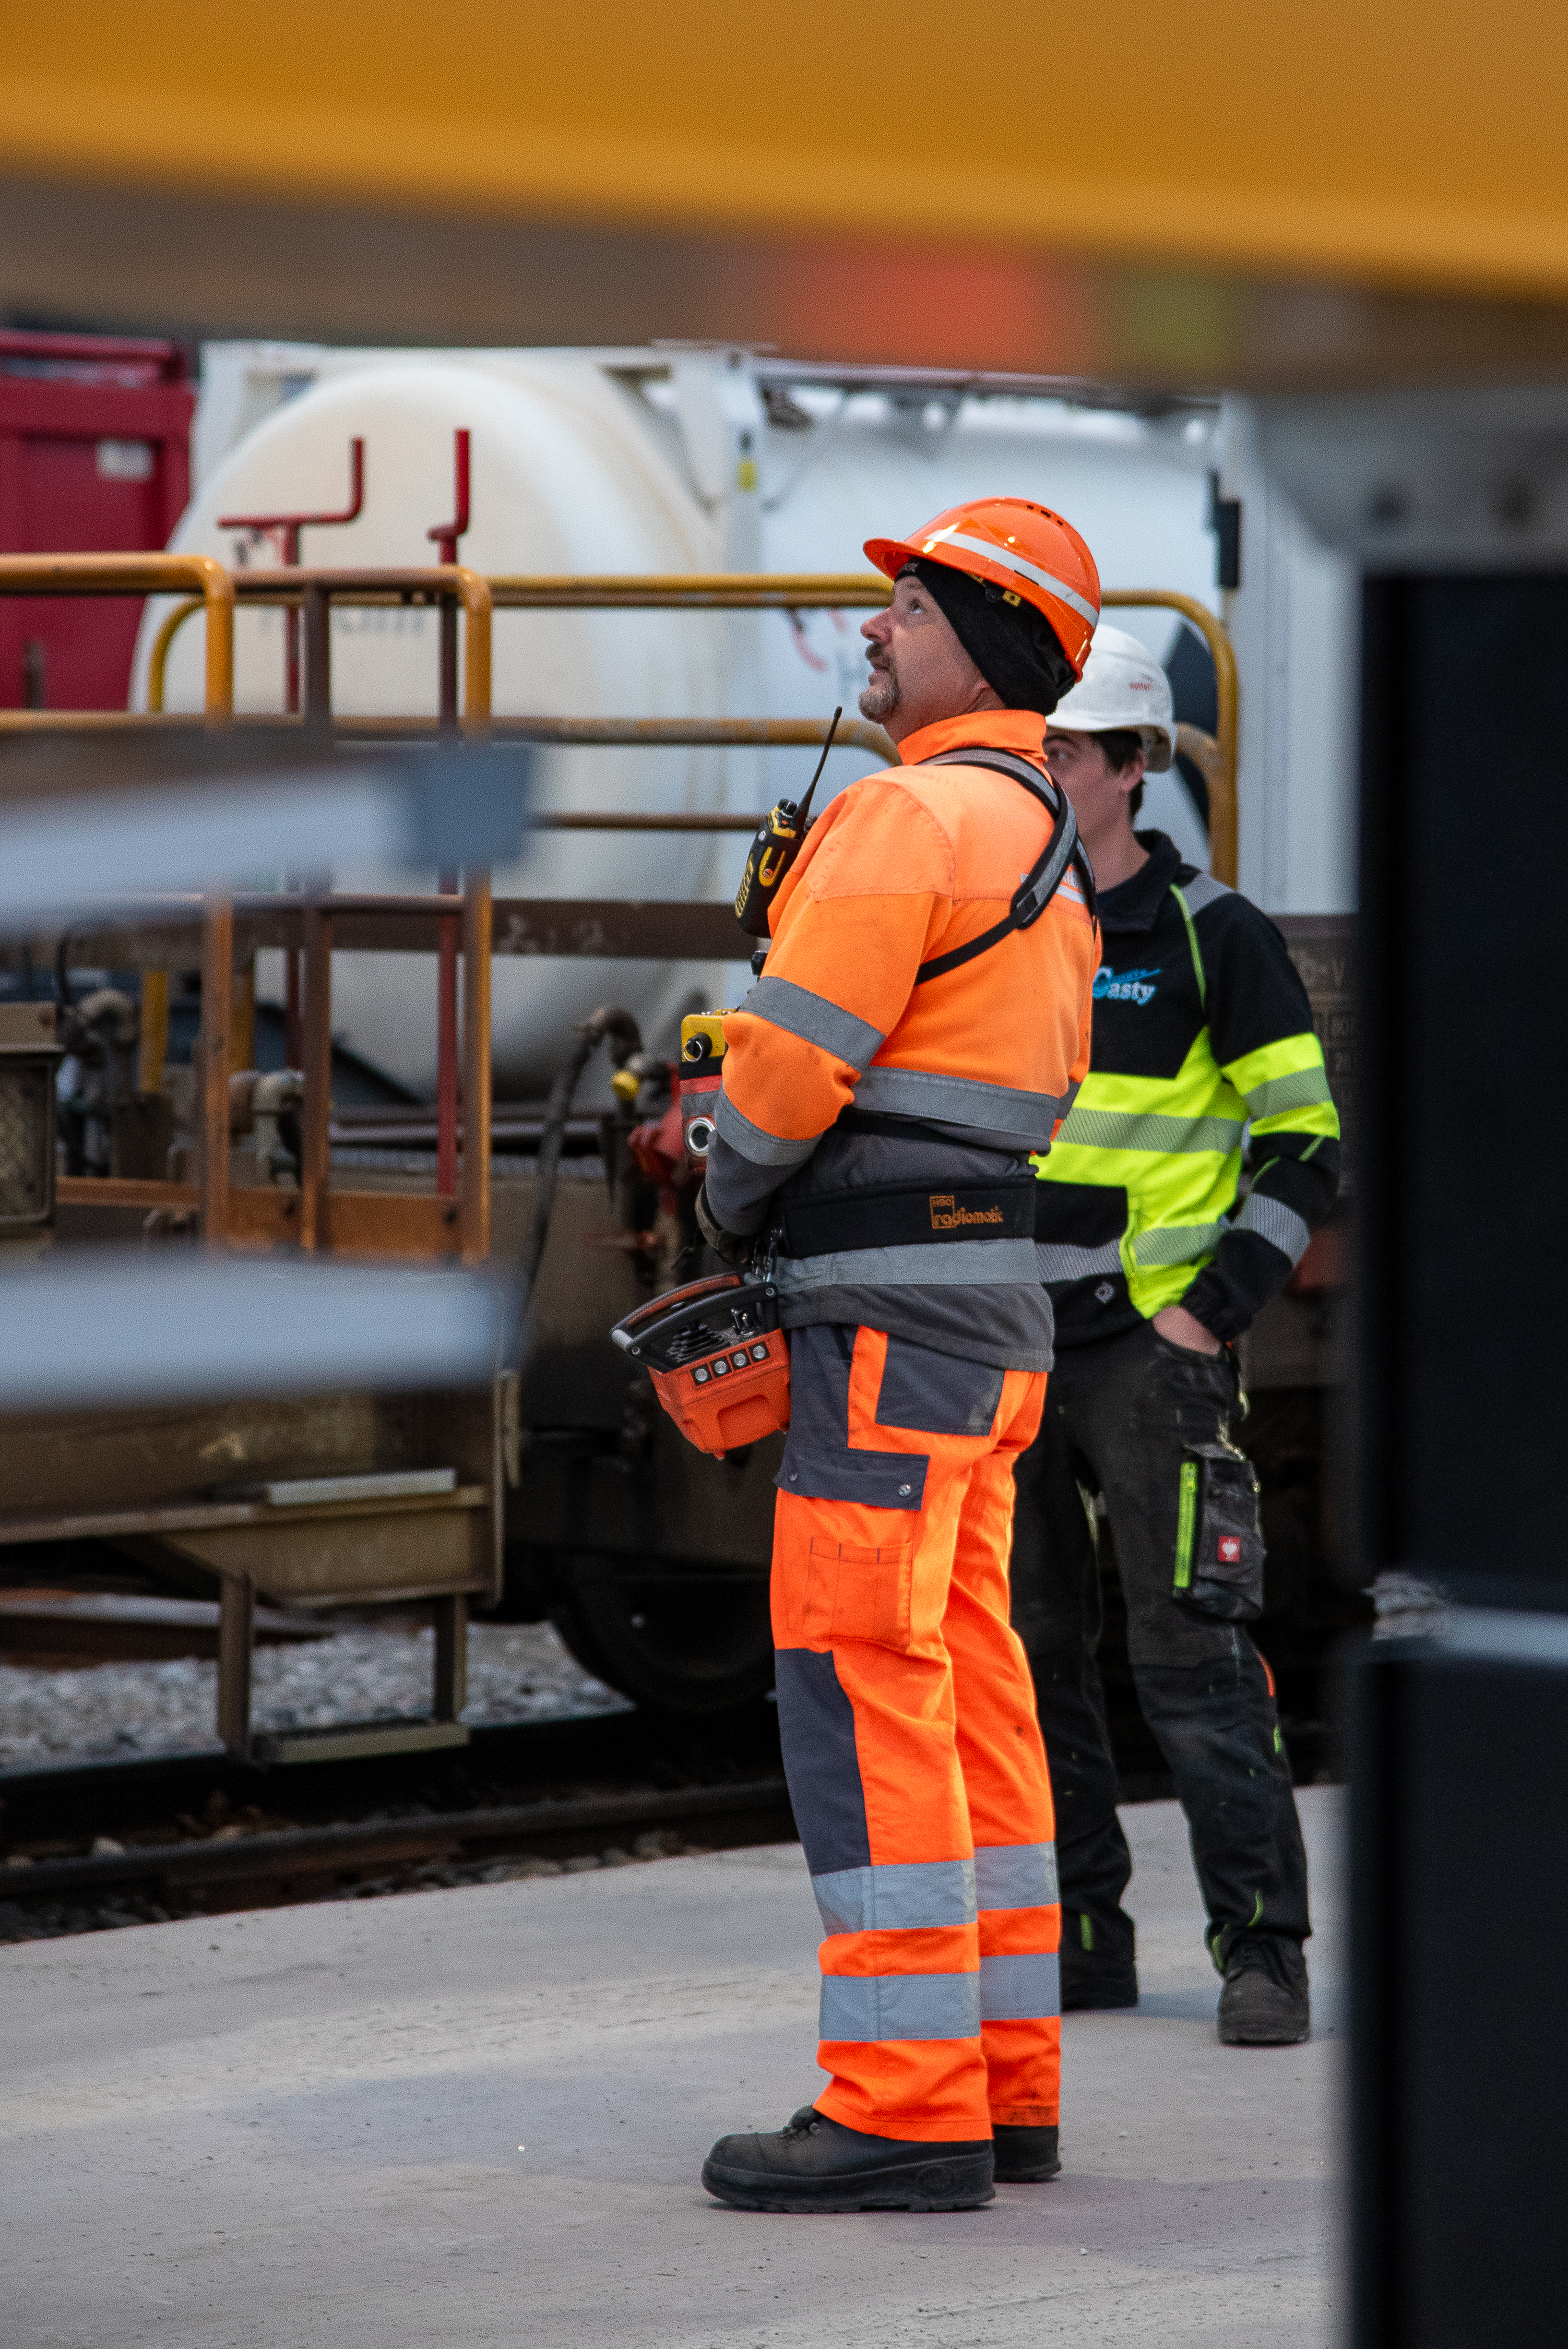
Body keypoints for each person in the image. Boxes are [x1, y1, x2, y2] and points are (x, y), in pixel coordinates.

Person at [693, 498, 1101, 2211]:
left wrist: (723, 1187)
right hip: (990, 1325)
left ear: (985, 638)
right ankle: (1006, 2081)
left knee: (863, 1686)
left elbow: (780, 1080)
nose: (875, 632)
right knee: (970, 1677)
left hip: (879, 1328)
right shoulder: (1048, 850)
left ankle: (900, 2103)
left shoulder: (903, 813)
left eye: (907, 606)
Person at [1008, 624, 1341, 2047]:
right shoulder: (1006, 934)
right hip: (1011, 1341)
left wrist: (1204, 1315)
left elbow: (1307, 1149)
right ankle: (1083, 1938)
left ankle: (1263, 1954)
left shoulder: (1216, 938)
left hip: (1149, 1360)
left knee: (1190, 1658)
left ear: (1132, 769)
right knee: (1030, 1655)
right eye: (1039, 746)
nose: (1045, 769)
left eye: (1067, 751)